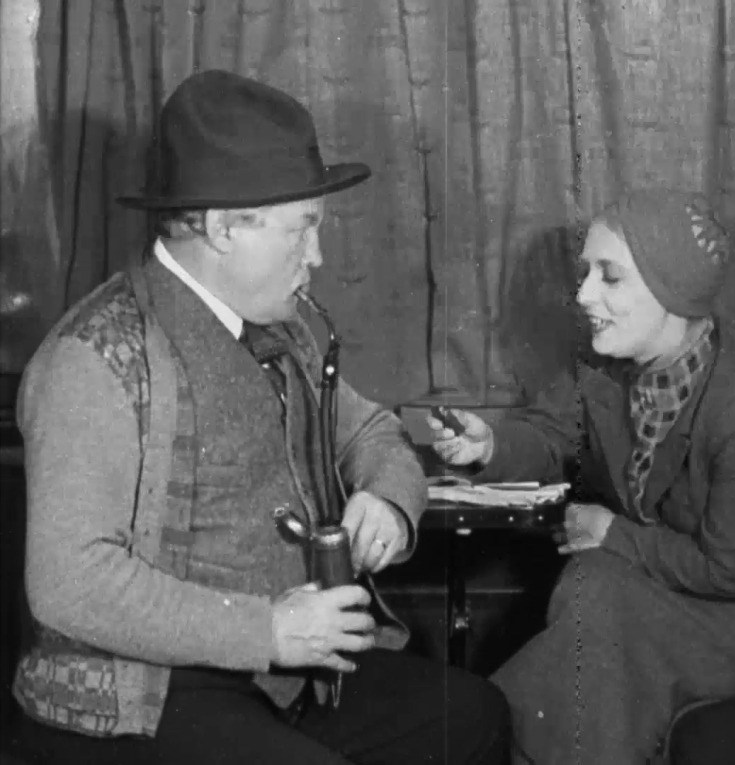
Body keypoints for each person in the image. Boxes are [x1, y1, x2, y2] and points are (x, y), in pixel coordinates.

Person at [11, 69, 510, 765]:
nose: (318, 256)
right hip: (146, 696)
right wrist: (267, 631)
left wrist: (390, 500)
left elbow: (373, 433)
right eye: (302, 229)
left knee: (474, 718)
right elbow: (69, 583)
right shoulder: (92, 357)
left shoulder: (285, 331)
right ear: (223, 227)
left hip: (282, 678)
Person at [430, 190, 735, 765]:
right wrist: (489, 444)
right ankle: (489, 738)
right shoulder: (601, 371)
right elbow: (553, 436)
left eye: (609, 277)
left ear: (672, 292)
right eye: (586, 273)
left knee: (605, 612)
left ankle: (479, 738)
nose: (583, 295)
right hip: (678, 583)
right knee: (594, 583)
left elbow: (728, 572)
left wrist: (611, 532)